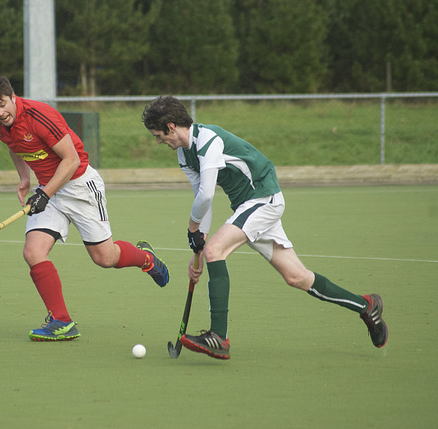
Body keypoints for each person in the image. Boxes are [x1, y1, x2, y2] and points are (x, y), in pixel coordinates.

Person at [141, 95, 388, 360]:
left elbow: (207, 196)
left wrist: (194, 231)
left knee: (216, 252)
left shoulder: (208, 141)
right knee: (297, 277)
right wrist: (197, 247)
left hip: (263, 198)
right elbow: (202, 197)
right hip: (247, 207)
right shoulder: (183, 154)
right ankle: (366, 306)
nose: (158, 141)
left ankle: (218, 337)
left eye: (158, 135)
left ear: (170, 127)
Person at [0, 76, 169, 342]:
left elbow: (71, 159)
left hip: (79, 186)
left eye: (2, 105)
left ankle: (145, 258)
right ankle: (61, 321)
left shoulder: (39, 115)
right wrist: (24, 179)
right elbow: (15, 147)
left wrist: (45, 193)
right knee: (33, 252)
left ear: (12, 96)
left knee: (105, 258)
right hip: (49, 190)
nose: (0, 114)